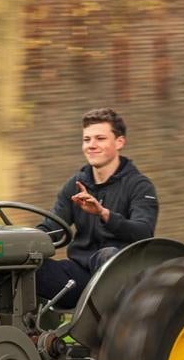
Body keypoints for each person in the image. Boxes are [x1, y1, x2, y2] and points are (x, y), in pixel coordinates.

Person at [35, 108, 159, 310]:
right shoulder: (75, 184)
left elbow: (143, 232)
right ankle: (31, 334)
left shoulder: (140, 186)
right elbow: (52, 227)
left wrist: (103, 213)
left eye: (100, 138)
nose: (91, 145)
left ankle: (110, 330)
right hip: (81, 275)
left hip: (124, 276)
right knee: (28, 268)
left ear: (119, 142)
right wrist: (25, 241)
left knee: (107, 255)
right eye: (87, 139)